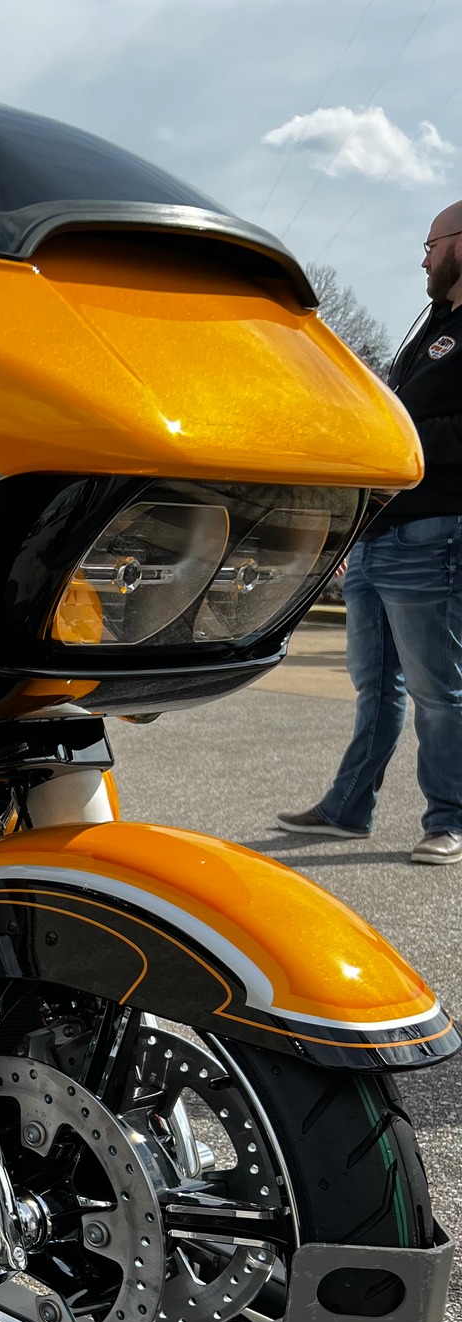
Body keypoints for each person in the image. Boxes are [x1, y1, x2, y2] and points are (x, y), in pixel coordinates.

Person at [275, 199, 462, 863]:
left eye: (432, 245)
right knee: (376, 686)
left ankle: (450, 820)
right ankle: (348, 809)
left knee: (440, 690)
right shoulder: (432, 328)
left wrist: (400, 435)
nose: (423, 259)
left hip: (435, 535)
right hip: (381, 534)